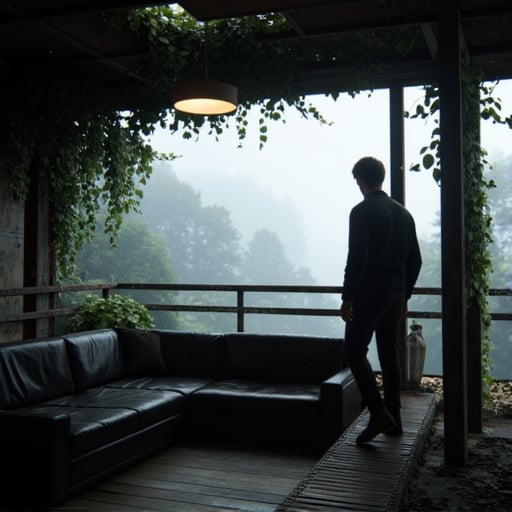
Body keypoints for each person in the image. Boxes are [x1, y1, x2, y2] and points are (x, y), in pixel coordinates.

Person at [340, 156, 422, 444]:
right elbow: (416, 260)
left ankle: (377, 411)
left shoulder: (361, 212)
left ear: (360, 180)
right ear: (382, 178)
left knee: (354, 350)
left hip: (370, 293)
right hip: (395, 295)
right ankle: (395, 418)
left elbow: (357, 257)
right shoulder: (404, 214)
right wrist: (405, 294)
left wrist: (347, 298)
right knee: (389, 353)